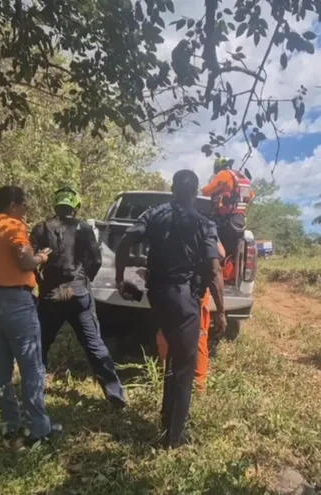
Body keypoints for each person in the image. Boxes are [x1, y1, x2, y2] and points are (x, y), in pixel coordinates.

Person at [115, 170, 227, 448]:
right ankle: (175, 437)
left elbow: (125, 243)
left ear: (173, 188)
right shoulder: (203, 223)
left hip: (159, 295)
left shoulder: (153, 215)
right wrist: (221, 311)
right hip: (185, 297)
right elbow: (214, 271)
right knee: (185, 365)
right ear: (194, 192)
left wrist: (121, 277)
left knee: (174, 359)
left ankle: (167, 417)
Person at [0, 186, 62, 448]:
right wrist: (40, 257)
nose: (27, 209)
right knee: (32, 366)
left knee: (1, 366)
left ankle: (9, 425)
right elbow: (25, 261)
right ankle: (39, 430)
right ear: (14, 204)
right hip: (15, 303)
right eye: (25, 204)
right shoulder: (13, 226)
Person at [31, 186, 127, 409]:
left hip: (51, 294)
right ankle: (115, 395)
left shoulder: (40, 228)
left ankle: (34, 391)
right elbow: (96, 260)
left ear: (56, 205)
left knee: (40, 344)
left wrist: (41, 283)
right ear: (75, 207)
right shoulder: (83, 228)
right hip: (78, 292)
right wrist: (85, 280)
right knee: (94, 344)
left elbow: (29, 260)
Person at [154, 242, 226, 394]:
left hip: (167, 289)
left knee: (166, 332)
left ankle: (166, 378)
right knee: (198, 335)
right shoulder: (203, 225)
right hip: (195, 291)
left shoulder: (163, 221)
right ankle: (199, 386)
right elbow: (220, 254)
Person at [201, 157, 255, 262]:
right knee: (232, 253)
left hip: (225, 221)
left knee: (207, 239)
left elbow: (206, 192)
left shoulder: (224, 175)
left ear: (217, 168)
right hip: (239, 221)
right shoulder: (240, 178)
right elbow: (252, 195)